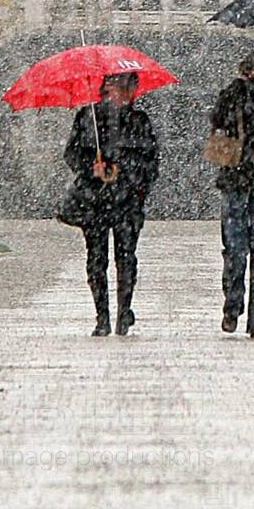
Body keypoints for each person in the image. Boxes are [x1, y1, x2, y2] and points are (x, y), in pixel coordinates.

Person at [60, 71, 160, 335]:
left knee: (126, 258)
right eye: (121, 86)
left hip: (127, 201)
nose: (126, 93)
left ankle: (124, 311)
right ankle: (102, 316)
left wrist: (126, 172)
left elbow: (151, 162)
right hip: (94, 201)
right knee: (96, 258)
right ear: (107, 87)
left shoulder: (139, 120)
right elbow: (71, 154)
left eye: (130, 87)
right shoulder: (89, 117)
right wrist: (91, 167)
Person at [207, 46, 254, 338]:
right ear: (250, 70)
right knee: (236, 250)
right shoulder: (234, 93)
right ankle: (234, 302)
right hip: (238, 180)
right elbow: (219, 120)